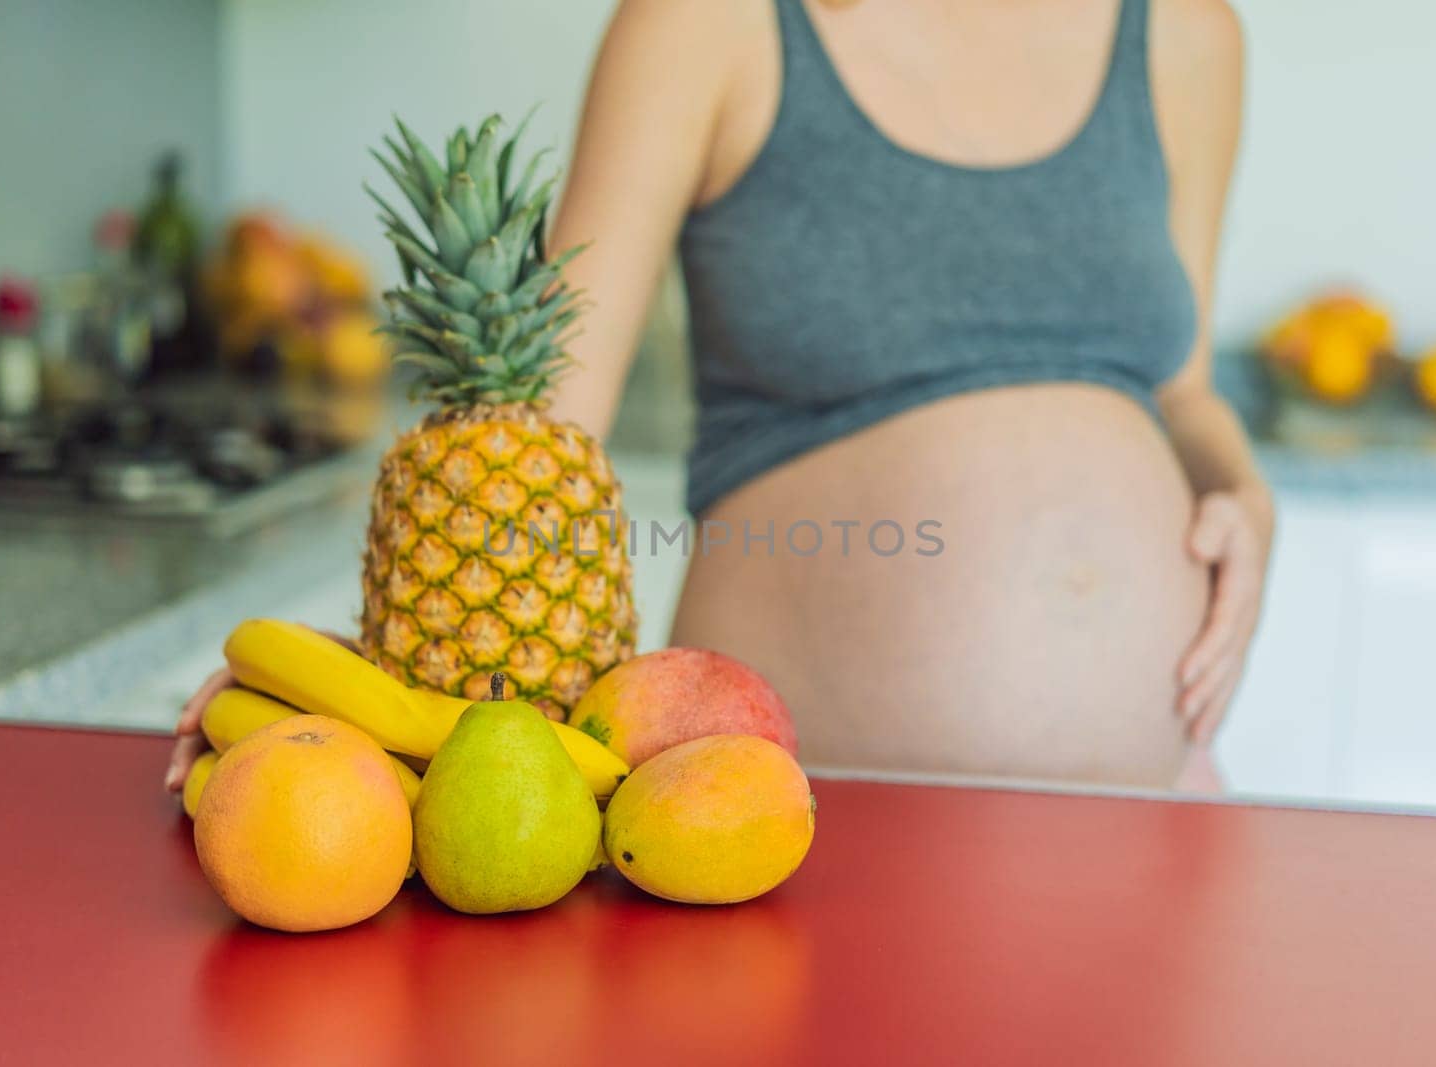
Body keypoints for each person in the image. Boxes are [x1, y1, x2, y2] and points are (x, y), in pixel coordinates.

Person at [169, 0, 1270, 793]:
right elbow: (537, 424)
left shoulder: (1186, 34)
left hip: (1151, 797)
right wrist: (365, 677)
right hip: (765, 818)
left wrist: (1238, 490)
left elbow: (1178, 385)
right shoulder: (707, 24)